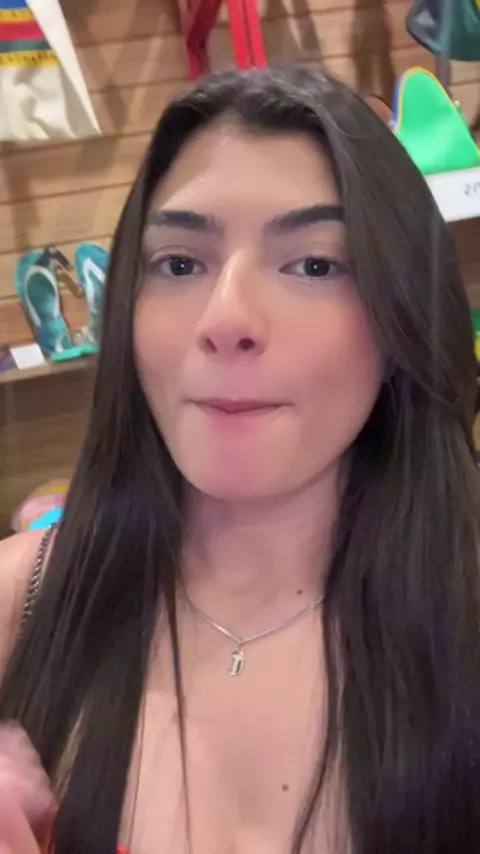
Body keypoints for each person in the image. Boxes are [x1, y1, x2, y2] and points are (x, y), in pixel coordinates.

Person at [0, 64, 479, 854]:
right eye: (180, 264)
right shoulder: (25, 602)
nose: (226, 318)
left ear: (402, 317)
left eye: (315, 265)